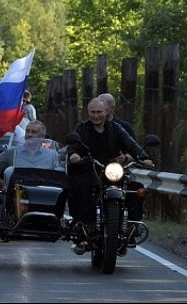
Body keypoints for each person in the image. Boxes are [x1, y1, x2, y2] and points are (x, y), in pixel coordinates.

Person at [66, 97, 153, 230]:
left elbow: (130, 144)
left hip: (113, 170)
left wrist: (143, 157)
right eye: (93, 112)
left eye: (99, 112)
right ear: (88, 112)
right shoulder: (82, 128)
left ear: (106, 112)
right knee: (81, 186)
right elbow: (73, 145)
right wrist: (74, 155)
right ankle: (83, 223)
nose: (96, 115)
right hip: (89, 169)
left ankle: (132, 225)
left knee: (135, 188)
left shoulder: (116, 128)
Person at [0, 120, 62, 214]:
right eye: (27, 131)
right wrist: (3, 184)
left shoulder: (52, 155)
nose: (29, 134)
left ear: (42, 137)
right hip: (15, 203)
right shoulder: (13, 152)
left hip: (45, 203)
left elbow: (58, 177)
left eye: (34, 132)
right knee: (9, 171)